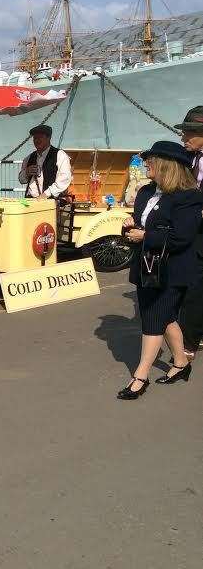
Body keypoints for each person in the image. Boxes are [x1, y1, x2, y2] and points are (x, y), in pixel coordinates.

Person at [117, 141, 203, 399]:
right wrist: (130, 225)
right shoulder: (145, 192)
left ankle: (140, 377)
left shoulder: (189, 197)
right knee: (164, 318)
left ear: (166, 165)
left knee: (153, 319)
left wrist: (145, 236)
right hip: (147, 267)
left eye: (150, 160)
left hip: (173, 270)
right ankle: (181, 364)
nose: (145, 164)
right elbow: (143, 223)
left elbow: (181, 238)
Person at [175, 106, 203, 360]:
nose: (183, 138)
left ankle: (189, 343)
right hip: (194, 229)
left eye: (188, 134)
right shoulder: (192, 158)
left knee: (195, 288)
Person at [17, 124, 73, 199]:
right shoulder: (29, 158)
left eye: (40, 137)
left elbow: (64, 178)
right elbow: (21, 180)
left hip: (49, 201)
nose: (37, 140)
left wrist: (46, 194)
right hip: (30, 200)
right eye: (35, 138)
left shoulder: (59, 155)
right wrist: (26, 172)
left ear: (49, 138)